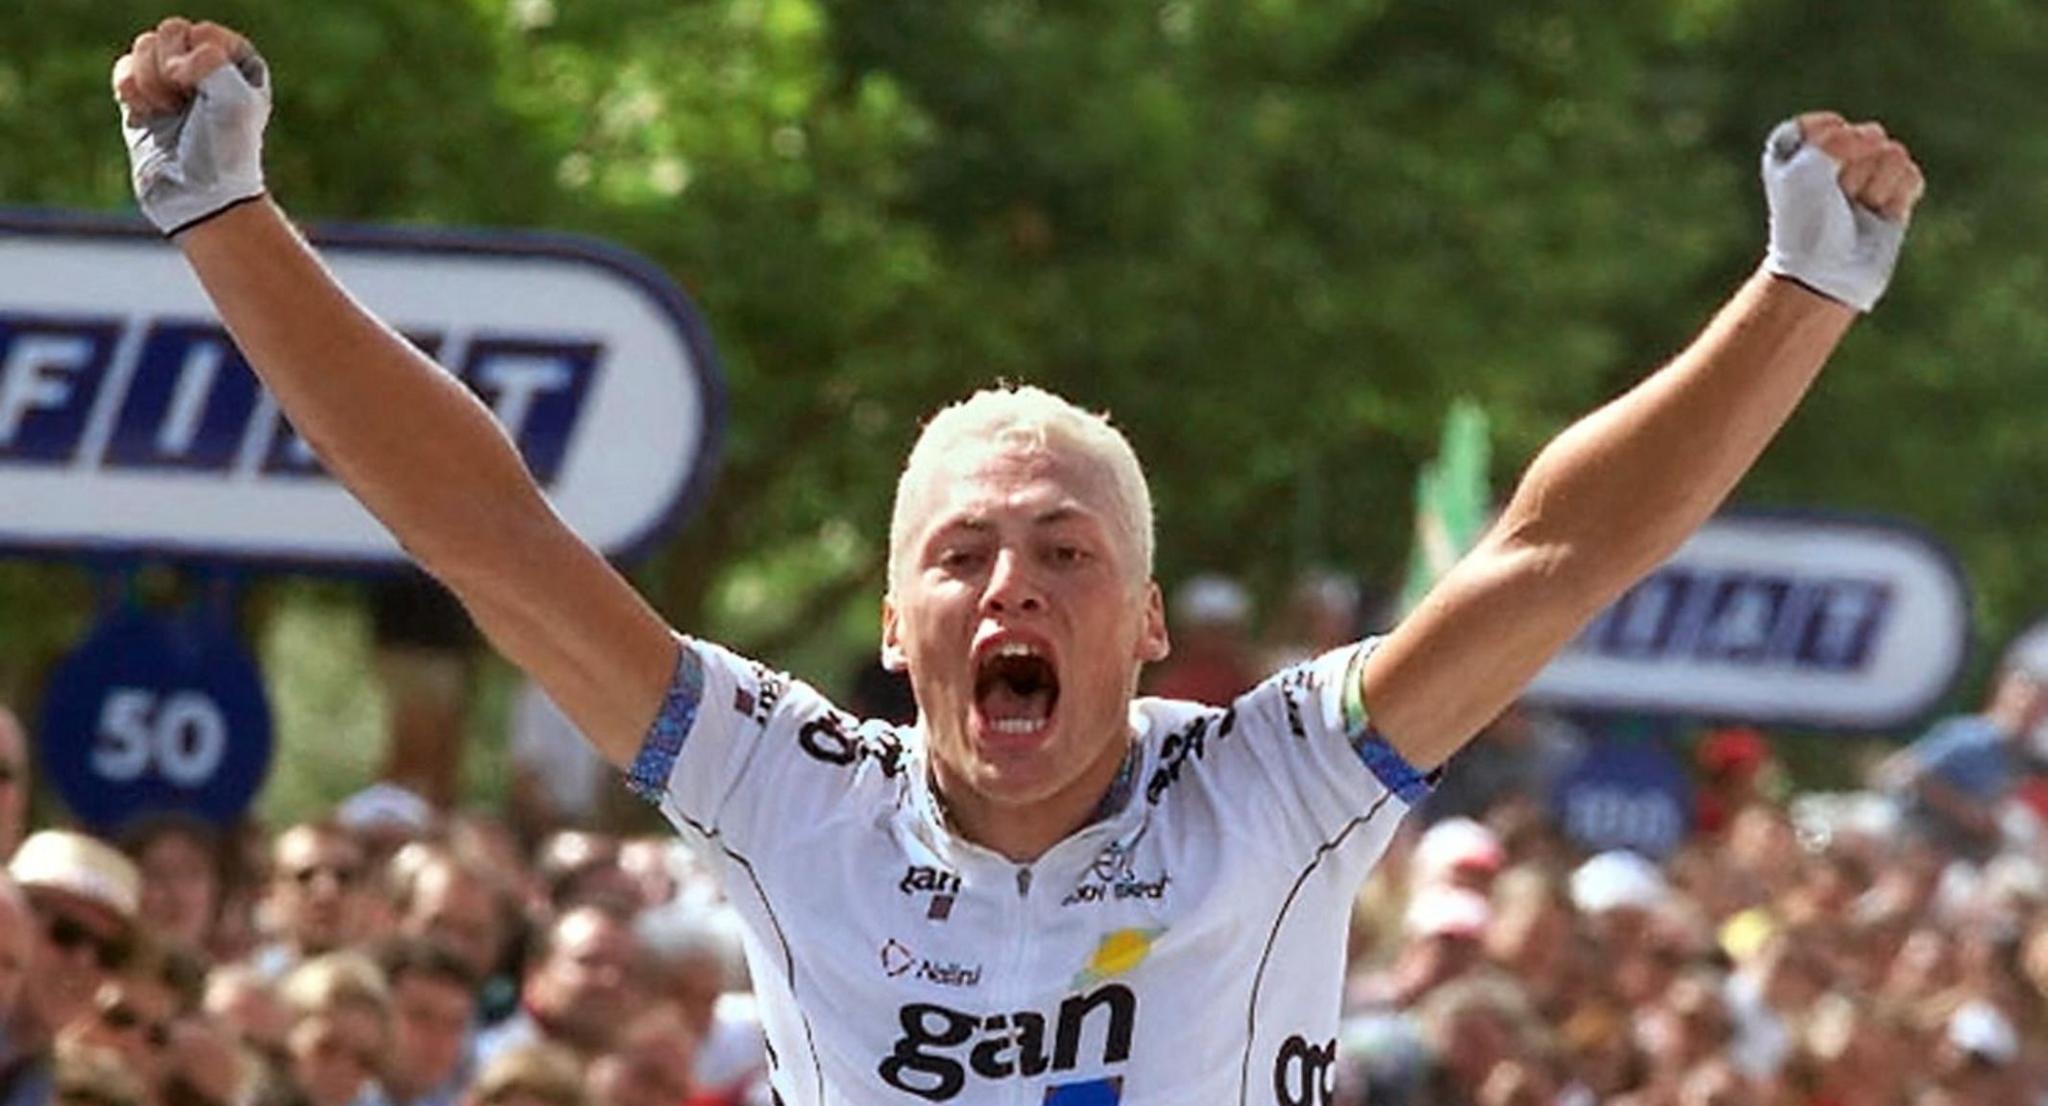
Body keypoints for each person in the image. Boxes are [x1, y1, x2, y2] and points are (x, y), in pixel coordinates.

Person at [109, 17, 1924, 1103]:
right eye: (960, 557)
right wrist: (226, 217)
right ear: (897, 632)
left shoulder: (1277, 781)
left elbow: (1551, 553)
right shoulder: (781, 785)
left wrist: (1801, 290)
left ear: (1144, 626)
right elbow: (485, 538)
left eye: (1064, 554)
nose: (1009, 591)